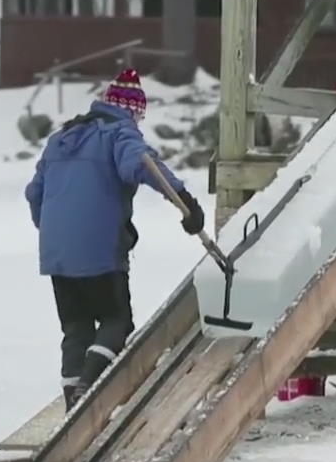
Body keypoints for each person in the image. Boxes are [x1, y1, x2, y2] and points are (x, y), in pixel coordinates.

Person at [24, 68, 207, 411]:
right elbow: (141, 164)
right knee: (116, 321)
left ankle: (71, 404)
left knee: (76, 328)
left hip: (57, 253)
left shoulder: (61, 138)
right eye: (138, 116)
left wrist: (54, 232)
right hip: (99, 250)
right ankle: (88, 390)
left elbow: (35, 193)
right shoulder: (119, 133)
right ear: (132, 111)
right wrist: (187, 204)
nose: (138, 123)